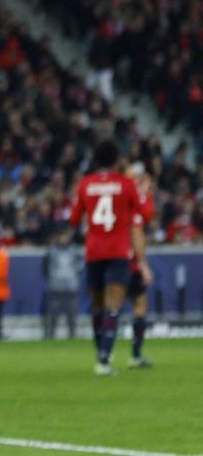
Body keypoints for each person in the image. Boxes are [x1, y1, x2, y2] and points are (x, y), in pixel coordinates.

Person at [68, 140, 150, 376]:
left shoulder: (85, 184)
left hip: (93, 250)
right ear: (116, 160)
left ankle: (101, 354)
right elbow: (145, 213)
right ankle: (104, 360)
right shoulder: (126, 184)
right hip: (117, 251)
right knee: (113, 306)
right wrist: (143, 189)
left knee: (96, 306)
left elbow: (73, 219)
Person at [125, 163, 156, 368]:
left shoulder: (117, 198)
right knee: (139, 304)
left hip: (106, 257)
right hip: (128, 262)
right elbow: (139, 230)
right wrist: (143, 264)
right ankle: (135, 355)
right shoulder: (134, 204)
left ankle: (103, 356)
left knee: (108, 306)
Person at [41, 230, 81, 340]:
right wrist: (52, 280)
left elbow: (80, 268)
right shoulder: (51, 251)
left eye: (65, 236)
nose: (63, 239)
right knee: (53, 316)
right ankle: (50, 337)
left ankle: (72, 337)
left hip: (71, 288)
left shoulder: (75, 250)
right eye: (61, 236)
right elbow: (44, 269)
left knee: (71, 316)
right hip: (55, 288)